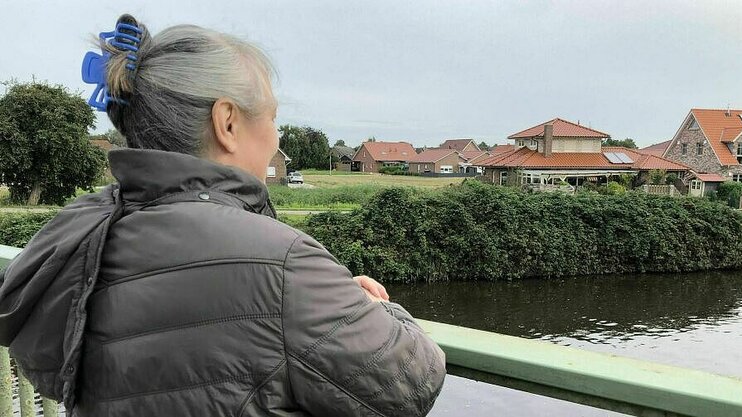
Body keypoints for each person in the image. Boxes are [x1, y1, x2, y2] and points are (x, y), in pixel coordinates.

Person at [0, 14, 445, 416]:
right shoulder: (281, 263)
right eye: (272, 118)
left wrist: (324, 304)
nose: (275, 138)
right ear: (227, 123)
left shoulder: (86, 231)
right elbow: (410, 382)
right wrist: (378, 311)